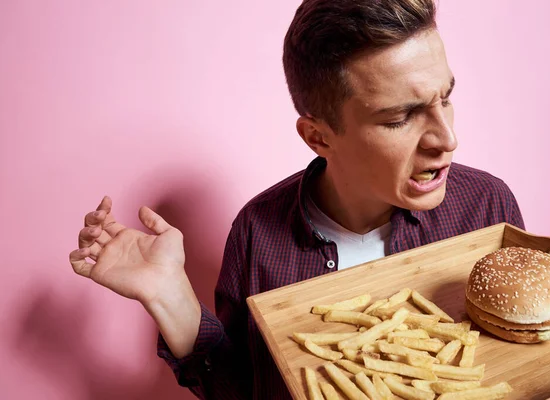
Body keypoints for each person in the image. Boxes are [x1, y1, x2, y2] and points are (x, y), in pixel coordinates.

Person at [69, 0, 525, 398]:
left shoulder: (486, 207)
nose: (448, 139)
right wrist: (170, 297)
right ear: (318, 137)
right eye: (401, 117)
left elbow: (528, 364)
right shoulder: (256, 234)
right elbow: (246, 391)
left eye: (445, 98)